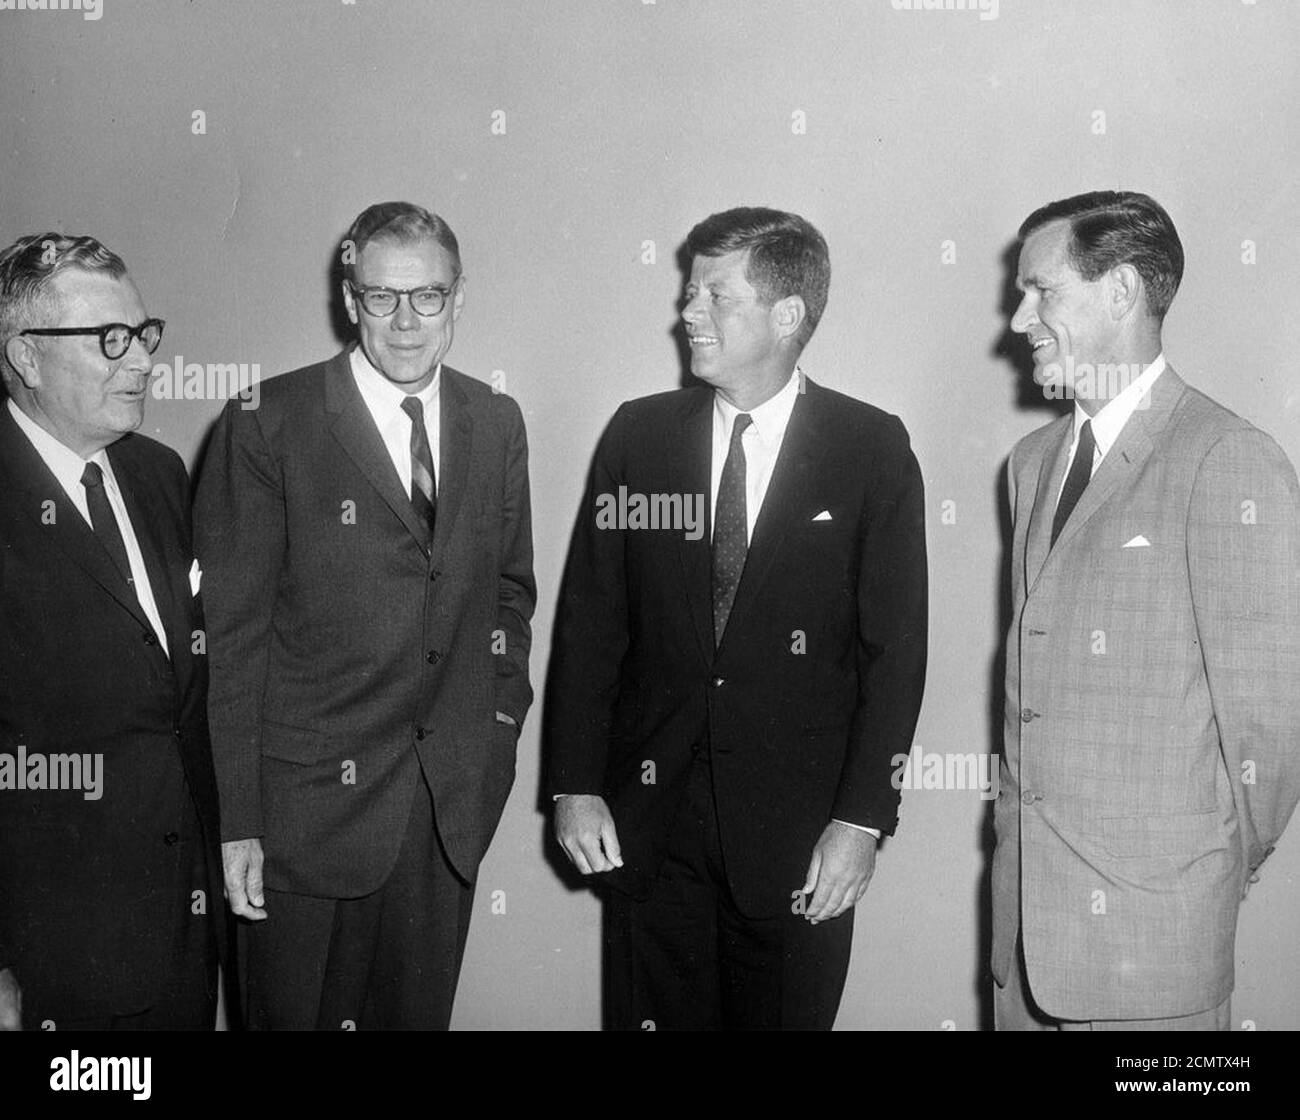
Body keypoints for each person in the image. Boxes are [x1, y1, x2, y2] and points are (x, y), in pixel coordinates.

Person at [545, 206, 928, 1030]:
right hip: (652, 831)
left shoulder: (870, 449)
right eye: (690, 292)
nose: (687, 313)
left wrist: (860, 822)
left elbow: (894, 658)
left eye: (715, 296)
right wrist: (575, 786)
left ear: (787, 316)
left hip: (797, 843)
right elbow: (591, 626)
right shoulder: (639, 437)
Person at [195, 201, 535, 1030]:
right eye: (382, 297)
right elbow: (230, 641)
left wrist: (491, 746)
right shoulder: (264, 422)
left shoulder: (494, 422)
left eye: (428, 296)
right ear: (351, 300)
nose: (406, 320)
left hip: (441, 820)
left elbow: (508, 599)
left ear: (459, 298)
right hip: (301, 827)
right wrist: (238, 822)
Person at [994, 190, 1300, 1030]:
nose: (1020, 319)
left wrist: (1198, 870)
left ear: (1122, 291)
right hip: (1021, 956)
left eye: (1041, 292)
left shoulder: (1227, 459)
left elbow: (1268, 731)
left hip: (1152, 953)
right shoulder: (1031, 464)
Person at [0, 233, 224, 1030]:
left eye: (143, 335)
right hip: (52, 958)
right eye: (109, 341)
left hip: (181, 937)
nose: (141, 362)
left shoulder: (158, 473)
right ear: (25, 355)